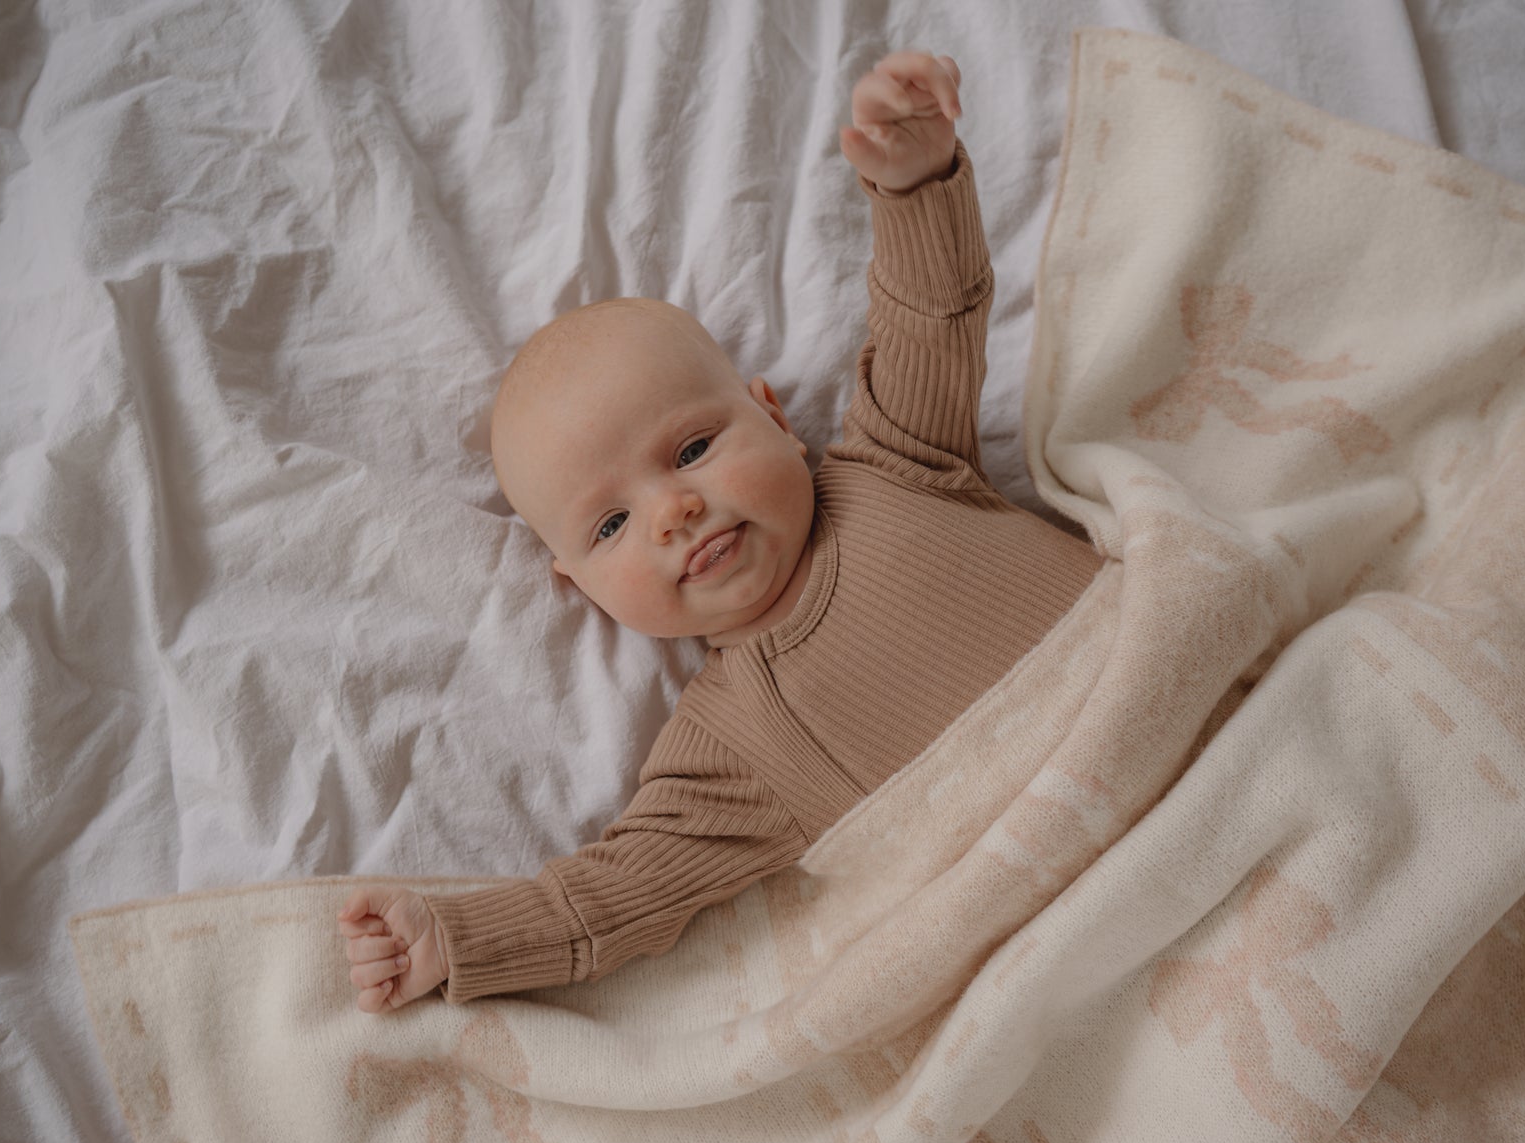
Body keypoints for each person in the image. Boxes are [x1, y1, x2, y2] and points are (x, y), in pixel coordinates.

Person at [338, 50, 1102, 1012]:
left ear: (775, 419)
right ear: (578, 585)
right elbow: (614, 897)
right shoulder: (731, 746)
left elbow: (929, 314)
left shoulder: (900, 464)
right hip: (1096, 902)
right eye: (612, 523)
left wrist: (910, 181)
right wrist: (455, 938)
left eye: (693, 447)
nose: (673, 510)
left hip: (1201, 706)